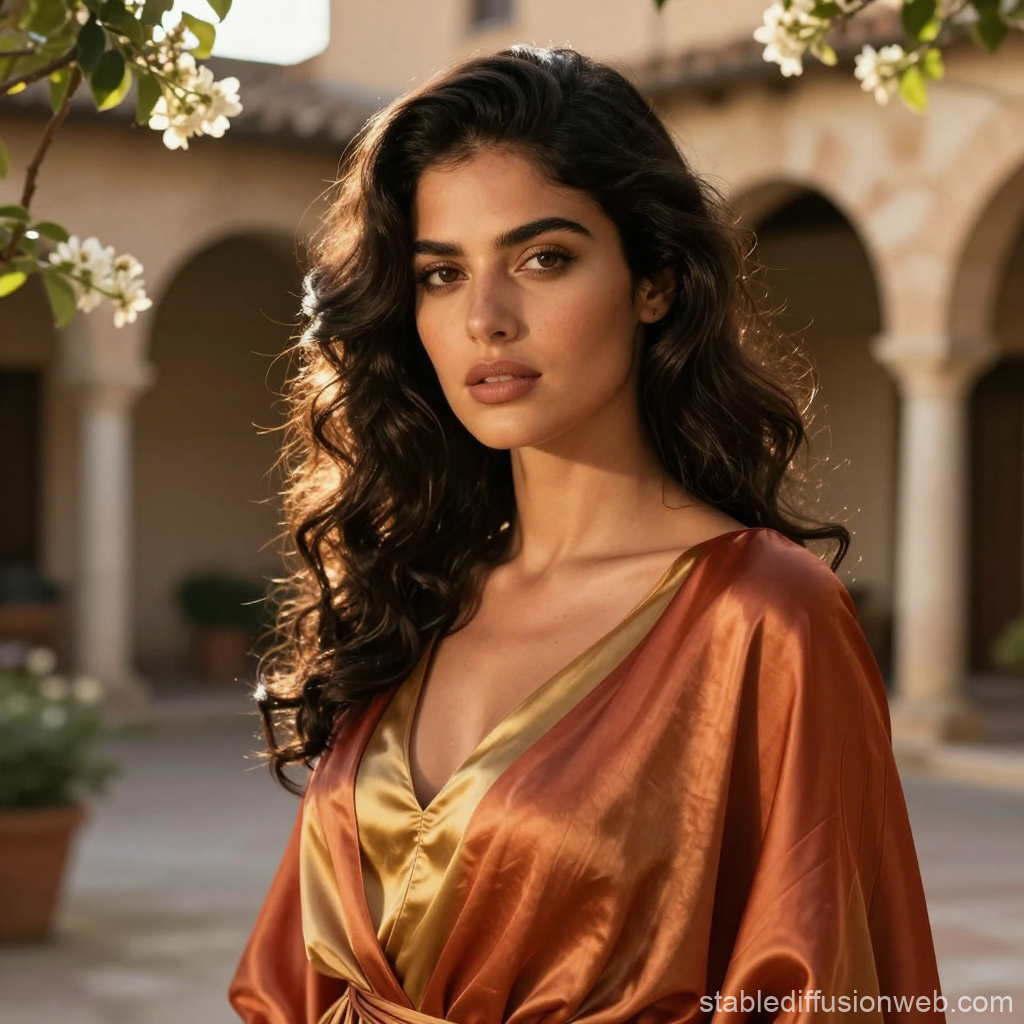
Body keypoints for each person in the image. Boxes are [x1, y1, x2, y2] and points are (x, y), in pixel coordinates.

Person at [229, 45, 945, 1024]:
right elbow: (290, 985)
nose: (486, 317)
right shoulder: (418, 592)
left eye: (543, 259)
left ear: (651, 280)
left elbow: (833, 991)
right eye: (442, 274)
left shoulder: (763, 617)